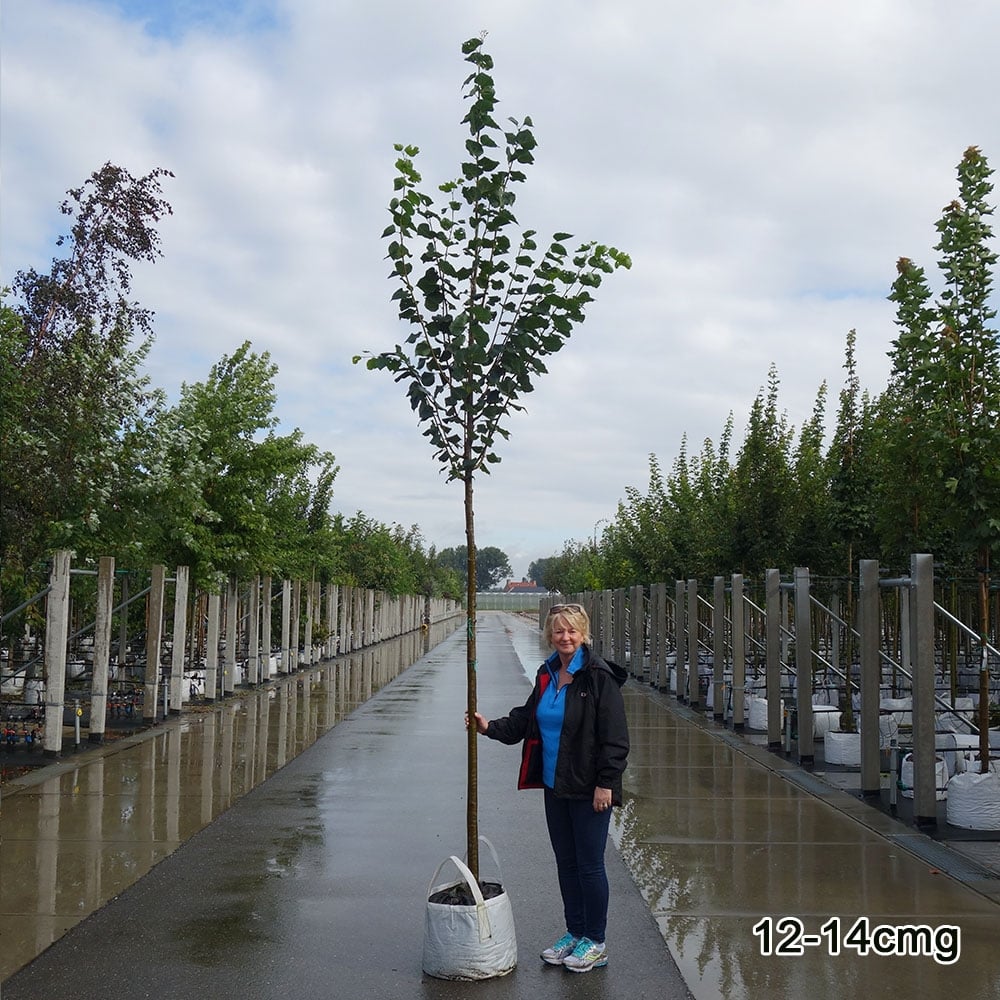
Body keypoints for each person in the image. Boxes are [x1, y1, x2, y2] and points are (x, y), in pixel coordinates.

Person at [467, 602, 629, 973]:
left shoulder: (598, 677)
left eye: (572, 630)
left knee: (589, 866)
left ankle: (596, 941)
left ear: (584, 633)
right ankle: (575, 932)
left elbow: (616, 738)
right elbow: (528, 718)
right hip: (556, 785)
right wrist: (490, 727)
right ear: (549, 635)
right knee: (567, 864)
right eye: (559, 631)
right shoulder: (547, 674)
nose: (566, 637)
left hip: (590, 789)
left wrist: (606, 783)